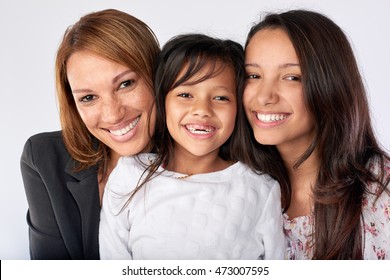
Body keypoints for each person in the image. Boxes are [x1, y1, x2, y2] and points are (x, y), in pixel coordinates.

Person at [99, 33, 285, 260]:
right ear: (162, 101)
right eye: (185, 94)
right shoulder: (129, 176)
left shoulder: (261, 190)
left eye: (220, 98)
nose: (202, 109)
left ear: (238, 107)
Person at [242, 9, 390, 259]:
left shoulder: (379, 190)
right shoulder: (241, 184)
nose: (264, 96)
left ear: (330, 84)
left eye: (291, 77)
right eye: (253, 75)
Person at [20, 9, 160, 259]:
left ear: (157, 74)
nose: (112, 115)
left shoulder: (207, 156)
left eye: (126, 84)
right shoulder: (44, 158)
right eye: (88, 97)